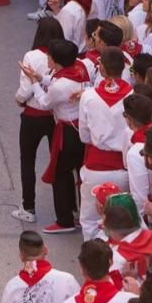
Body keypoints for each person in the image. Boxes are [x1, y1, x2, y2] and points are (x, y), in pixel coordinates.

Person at [20, 38, 89, 233]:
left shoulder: (61, 86)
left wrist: (34, 83)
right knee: (78, 171)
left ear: (56, 60)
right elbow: (57, 80)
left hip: (67, 130)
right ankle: (79, 213)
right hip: (81, 127)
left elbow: (44, 103)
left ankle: (64, 220)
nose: (46, 58)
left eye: (49, 56)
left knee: (60, 173)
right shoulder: (79, 69)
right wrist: (40, 77)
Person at [78, 48, 132, 239]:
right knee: (124, 221)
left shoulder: (88, 96)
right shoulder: (133, 94)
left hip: (96, 167)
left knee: (90, 221)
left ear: (101, 69)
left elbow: (84, 136)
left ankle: (94, 263)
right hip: (125, 167)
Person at [12, 18, 62, 223]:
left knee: (27, 160)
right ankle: (66, 210)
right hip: (54, 116)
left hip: (32, 115)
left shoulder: (32, 56)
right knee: (58, 163)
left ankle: (29, 207)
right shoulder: (63, 54)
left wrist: (19, 99)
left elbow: (25, 90)